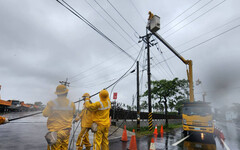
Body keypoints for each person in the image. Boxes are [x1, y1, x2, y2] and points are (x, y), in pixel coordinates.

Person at [43, 85, 75, 150]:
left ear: (57, 94)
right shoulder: (71, 104)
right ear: (66, 93)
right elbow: (73, 114)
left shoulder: (51, 103)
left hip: (56, 132)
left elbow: (45, 114)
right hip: (66, 131)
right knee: (64, 148)